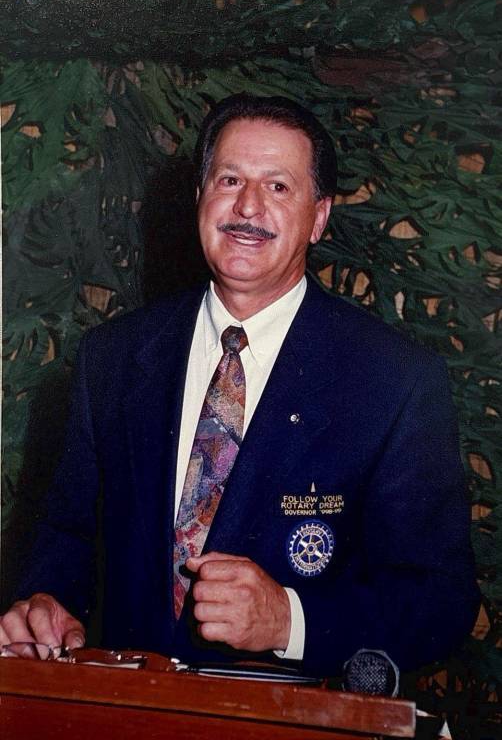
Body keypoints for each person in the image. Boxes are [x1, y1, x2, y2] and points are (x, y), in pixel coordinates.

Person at [0, 94, 479, 676]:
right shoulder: (113, 357)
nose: (248, 206)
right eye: (229, 180)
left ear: (319, 217)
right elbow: (67, 535)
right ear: (200, 196)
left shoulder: (395, 380)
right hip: (124, 709)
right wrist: (46, 602)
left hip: (289, 713)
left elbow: (441, 601)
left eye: (278, 186)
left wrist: (290, 620)